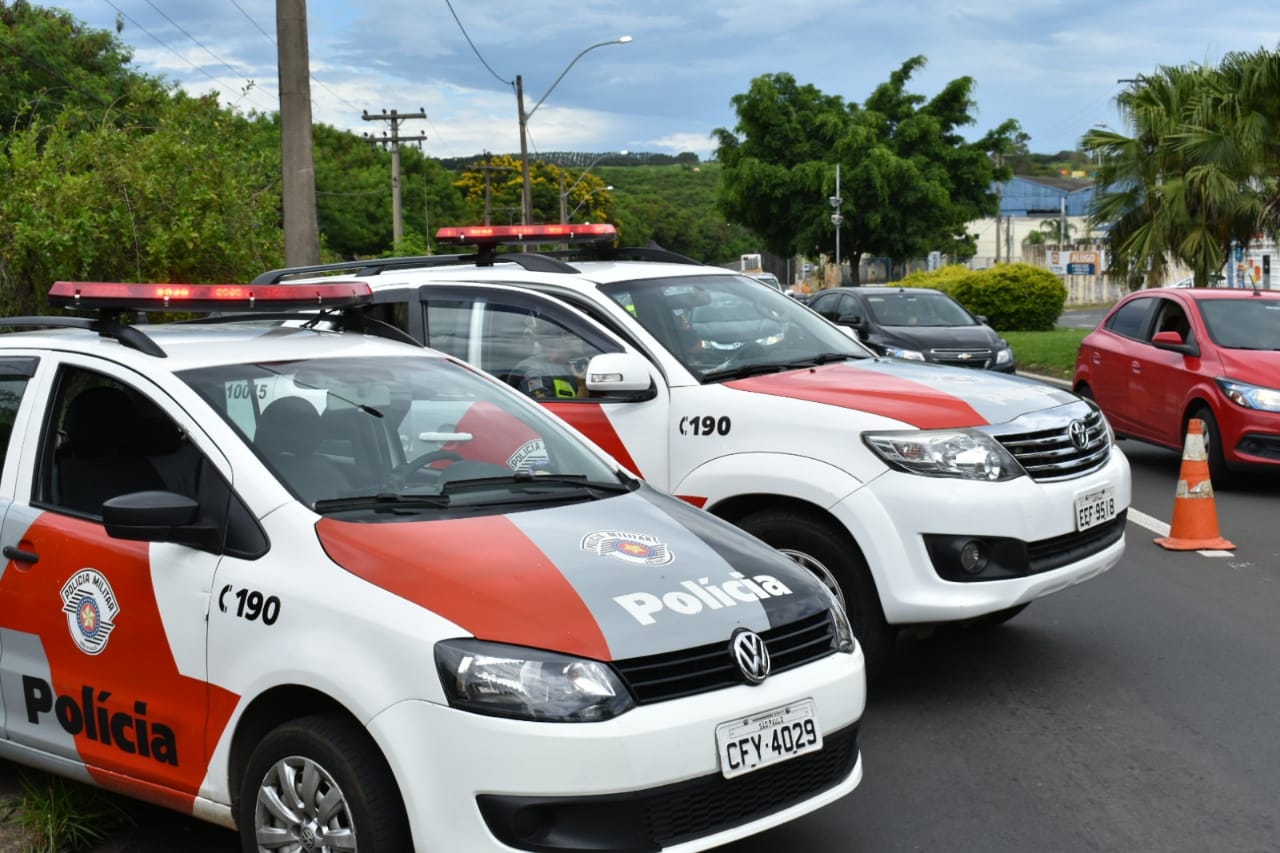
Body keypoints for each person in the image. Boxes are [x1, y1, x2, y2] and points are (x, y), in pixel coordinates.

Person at [514, 319, 588, 400]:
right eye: (580, 334)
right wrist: (582, 387)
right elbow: (547, 411)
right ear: (565, 335)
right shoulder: (535, 370)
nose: (583, 340)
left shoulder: (570, 366)